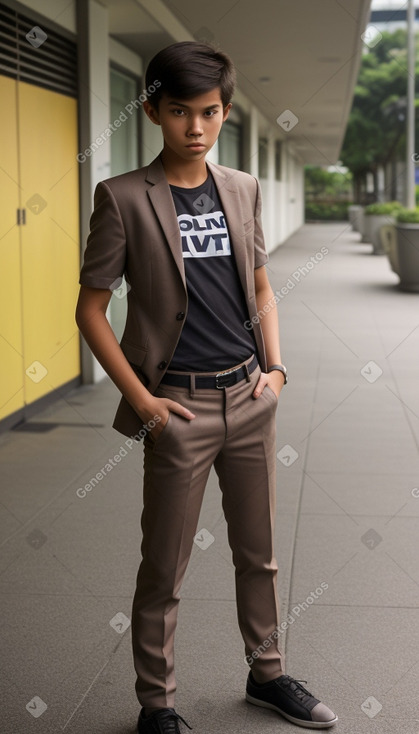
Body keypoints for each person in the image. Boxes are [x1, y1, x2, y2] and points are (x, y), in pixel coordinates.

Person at [75, 41, 338, 733]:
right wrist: (141, 401)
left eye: (210, 112)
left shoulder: (243, 188)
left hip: (249, 398)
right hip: (177, 408)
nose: (196, 126)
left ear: (224, 113)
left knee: (260, 553)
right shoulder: (123, 197)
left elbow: (258, 283)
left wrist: (274, 367)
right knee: (163, 565)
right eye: (180, 112)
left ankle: (267, 673)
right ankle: (156, 704)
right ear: (156, 111)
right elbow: (90, 309)